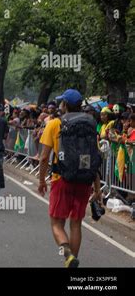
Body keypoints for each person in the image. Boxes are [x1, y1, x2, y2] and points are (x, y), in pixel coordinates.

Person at [38, 89, 102, 268]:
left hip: (61, 179)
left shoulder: (54, 124)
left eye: (61, 102)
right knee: (76, 224)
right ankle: (71, 263)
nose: (59, 105)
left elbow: (44, 158)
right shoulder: (89, 124)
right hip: (84, 181)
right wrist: (97, 190)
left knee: (56, 223)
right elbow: (94, 158)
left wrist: (42, 181)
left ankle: (68, 255)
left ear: (65, 105)